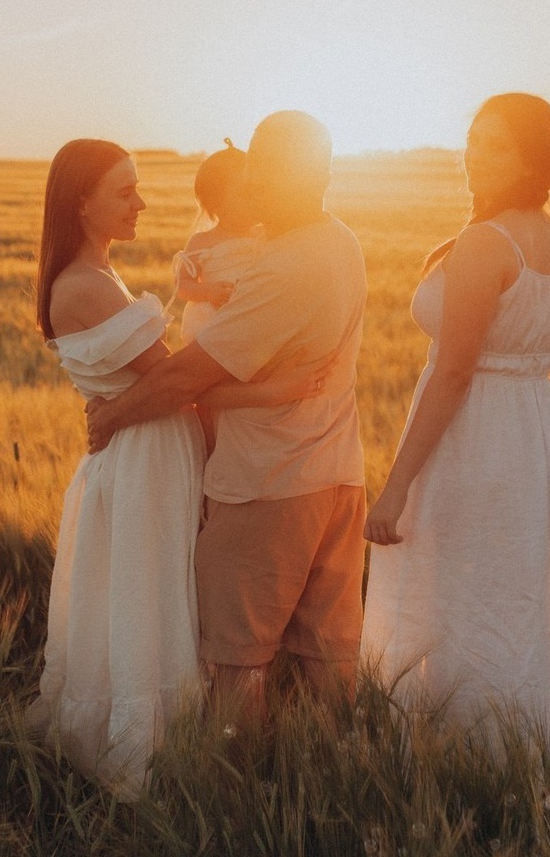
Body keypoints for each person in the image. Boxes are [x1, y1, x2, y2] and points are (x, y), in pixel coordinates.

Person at [27, 139, 320, 791]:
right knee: (147, 593)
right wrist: (272, 389)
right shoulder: (82, 286)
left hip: (152, 455)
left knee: (158, 591)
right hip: (140, 466)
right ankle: (141, 762)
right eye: (124, 191)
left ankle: (163, 749)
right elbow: (179, 380)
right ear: (82, 202)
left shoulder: (102, 278)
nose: (143, 202)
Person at [360, 93, 550, 813]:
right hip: (527, 448)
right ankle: (519, 782)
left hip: (476, 442)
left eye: (494, 146)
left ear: (532, 159)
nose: (473, 155)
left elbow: (456, 371)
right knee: (511, 607)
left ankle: (461, 788)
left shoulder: (489, 242)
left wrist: (396, 484)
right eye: (471, 139)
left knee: (459, 602)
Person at [86, 111, 366, 722]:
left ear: (280, 173)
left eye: (260, 165)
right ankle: (342, 782)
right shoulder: (338, 238)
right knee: (328, 659)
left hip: (268, 484)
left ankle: (236, 801)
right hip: (338, 475)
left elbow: (192, 374)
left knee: (237, 664)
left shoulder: (286, 263)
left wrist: (111, 417)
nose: (251, 177)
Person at [172, 140, 260, 346]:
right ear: (216, 201)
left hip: (253, 320)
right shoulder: (203, 241)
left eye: (256, 191)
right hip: (213, 322)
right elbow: (181, 285)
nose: (254, 199)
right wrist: (208, 291)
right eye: (244, 194)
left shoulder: (264, 236)